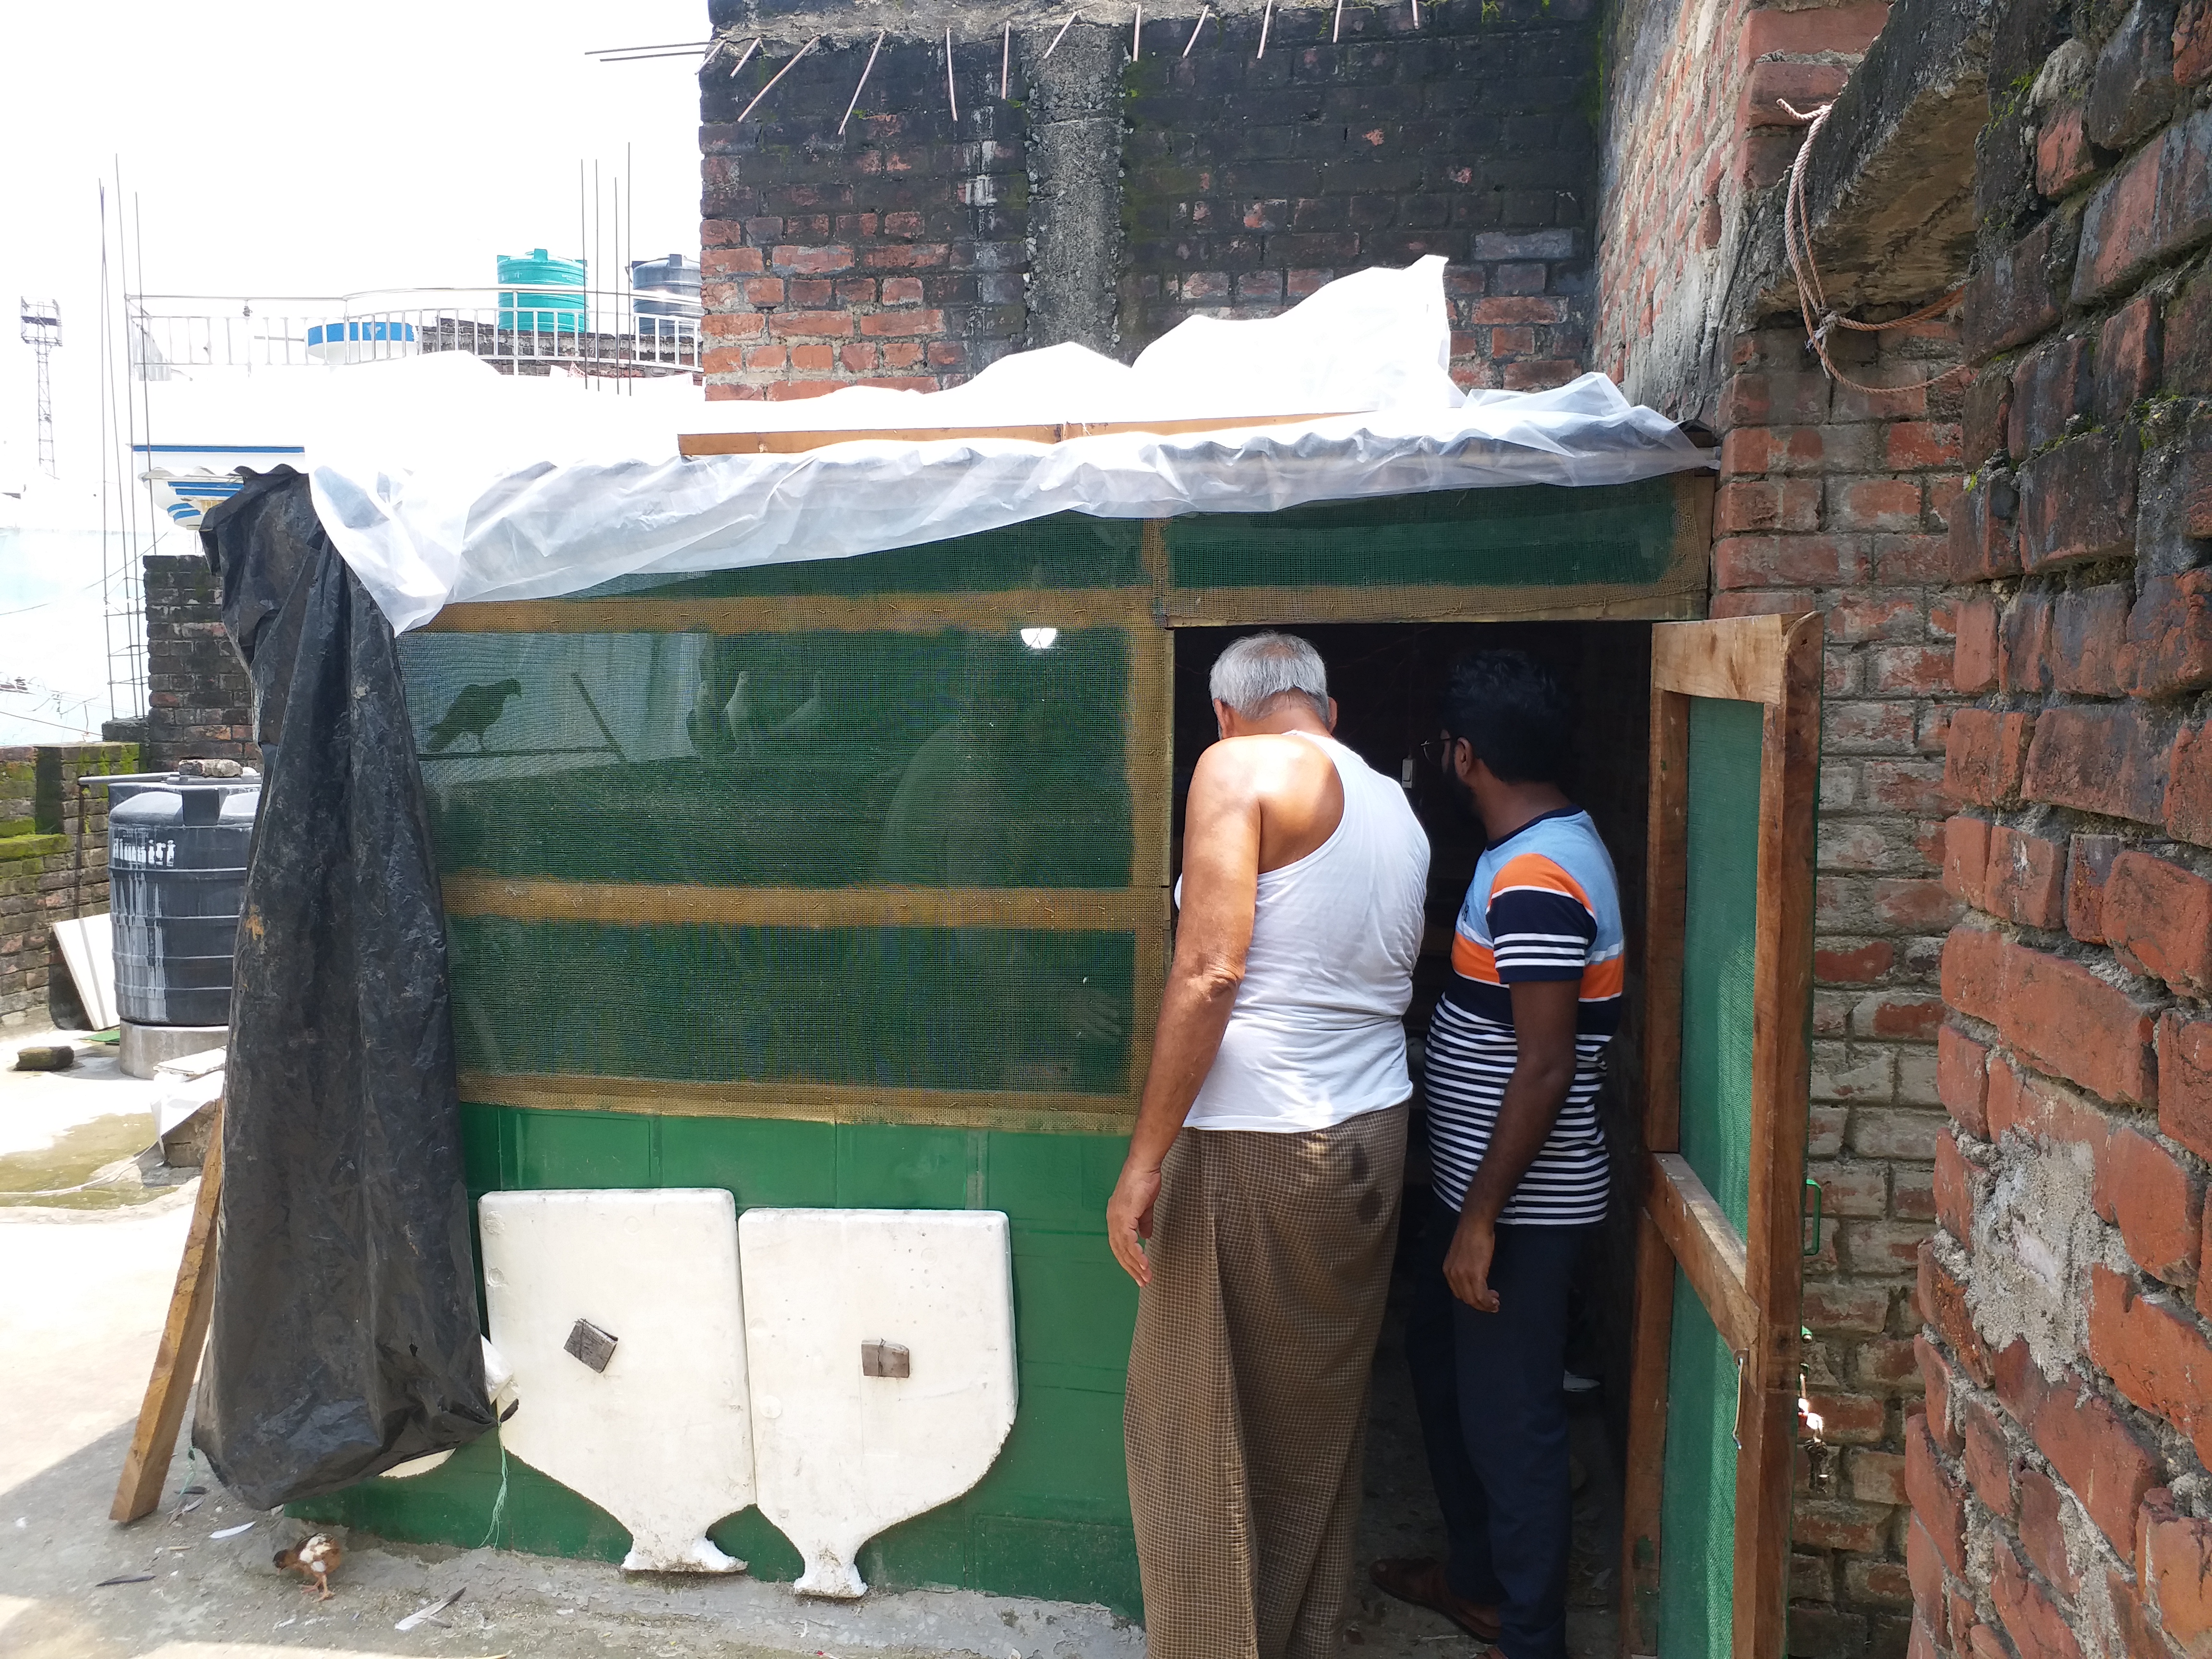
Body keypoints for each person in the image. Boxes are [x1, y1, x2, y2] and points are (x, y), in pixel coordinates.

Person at [1108, 631, 1431, 1659]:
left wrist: (1144, 1160)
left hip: (1261, 1138)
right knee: (1309, 1429)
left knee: (1192, 1424)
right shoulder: (1396, 806)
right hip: (1373, 1134)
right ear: (1327, 713)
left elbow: (1209, 971)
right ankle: (1295, 1636)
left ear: (1221, 712)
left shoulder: (1238, 767)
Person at [1371, 649, 1621, 1659]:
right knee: (1439, 1360)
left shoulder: (1535, 876)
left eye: (1444, 749)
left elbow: (1547, 1066)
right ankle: (1476, 1578)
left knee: (1515, 1433)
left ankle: (1529, 1634)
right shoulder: (1549, 842)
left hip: (1521, 1208)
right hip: (1495, 1195)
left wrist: (1478, 1222)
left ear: (1465, 756)